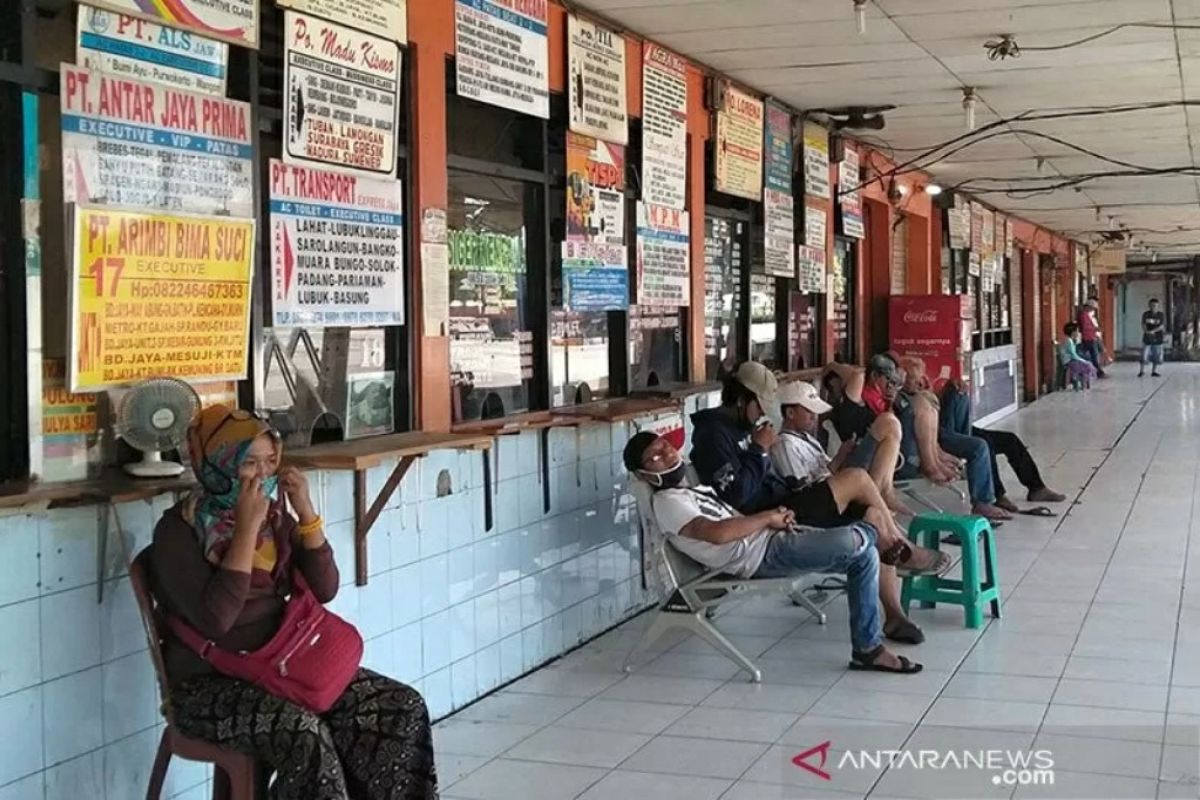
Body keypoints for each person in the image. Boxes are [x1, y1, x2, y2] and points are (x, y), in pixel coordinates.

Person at [148, 405, 438, 800]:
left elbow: (326, 587)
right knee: (304, 736)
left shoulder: (276, 521)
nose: (263, 475)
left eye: (270, 461)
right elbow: (218, 619)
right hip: (210, 686)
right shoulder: (177, 532)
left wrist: (305, 510)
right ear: (216, 466)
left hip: (284, 667)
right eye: (248, 463)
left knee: (399, 707)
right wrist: (246, 529)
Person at [625, 431, 923, 674]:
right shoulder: (667, 503)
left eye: (665, 446)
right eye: (654, 457)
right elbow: (717, 534)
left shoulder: (690, 491)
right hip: (761, 556)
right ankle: (879, 535)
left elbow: (733, 521)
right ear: (645, 475)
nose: (666, 454)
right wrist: (768, 518)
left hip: (771, 539)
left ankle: (867, 649)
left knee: (865, 556)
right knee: (856, 540)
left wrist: (776, 520)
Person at [770, 379, 929, 643]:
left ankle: (895, 615)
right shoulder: (784, 444)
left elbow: (822, 477)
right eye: (808, 411)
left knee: (876, 519)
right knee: (859, 476)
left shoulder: (806, 439)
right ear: (789, 413)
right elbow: (804, 490)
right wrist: (841, 472)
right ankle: (902, 542)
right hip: (806, 514)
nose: (814, 417)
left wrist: (840, 458)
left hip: (829, 500)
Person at [933, 366, 1067, 512]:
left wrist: (949, 387)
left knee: (1010, 440)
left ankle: (1036, 488)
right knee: (984, 445)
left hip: (960, 427)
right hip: (942, 434)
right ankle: (997, 496)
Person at [896, 357, 1012, 522]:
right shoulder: (904, 401)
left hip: (940, 431)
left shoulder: (919, 394)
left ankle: (1002, 494)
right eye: (914, 379)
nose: (920, 383)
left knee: (960, 394)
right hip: (932, 439)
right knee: (980, 447)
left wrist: (942, 390)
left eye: (921, 377)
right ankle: (983, 501)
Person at [1059, 322, 1098, 389]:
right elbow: (1073, 355)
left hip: (1071, 360)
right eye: (1077, 331)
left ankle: (1085, 383)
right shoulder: (1068, 341)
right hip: (1069, 361)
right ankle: (1084, 384)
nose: (1078, 333)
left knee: (1088, 363)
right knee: (1087, 365)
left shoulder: (1070, 340)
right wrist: (1083, 360)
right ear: (1072, 332)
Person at [1076, 297, 1107, 378]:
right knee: (1093, 356)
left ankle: (1098, 371)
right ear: (1088, 307)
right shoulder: (1083, 315)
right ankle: (1098, 371)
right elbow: (1084, 327)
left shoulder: (1086, 315)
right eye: (1092, 308)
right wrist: (1095, 329)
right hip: (1088, 338)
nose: (1092, 310)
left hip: (1091, 337)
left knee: (1094, 355)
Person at [1140, 298, 1166, 378]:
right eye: (1152, 305)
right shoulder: (1146, 314)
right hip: (1147, 337)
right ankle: (1142, 371)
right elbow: (1143, 324)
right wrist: (1147, 331)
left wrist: (1153, 331)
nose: (1153, 307)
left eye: (1155, 306)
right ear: (1149, 305)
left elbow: (1161, 326)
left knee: (1156, 355)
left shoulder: (1160, 315)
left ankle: (1154, 371)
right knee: (1144, 354)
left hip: (1158, 338)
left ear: (1157, 306)